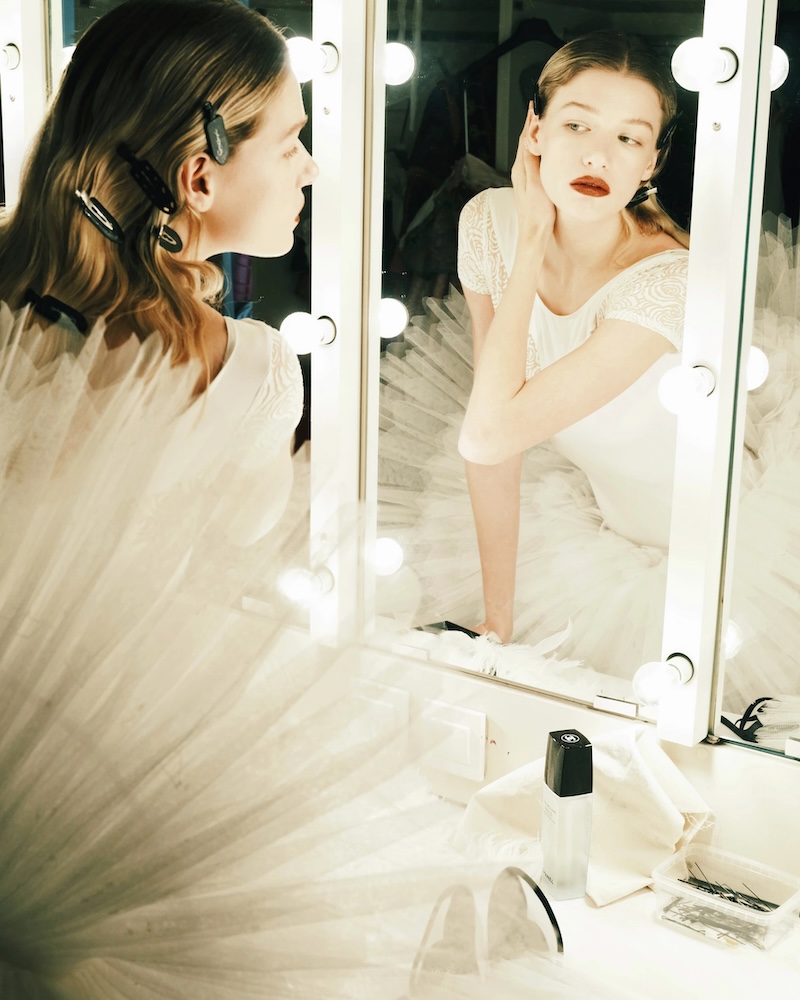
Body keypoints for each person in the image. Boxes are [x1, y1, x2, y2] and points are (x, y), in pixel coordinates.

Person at [378, 31, 689, 690]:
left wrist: (534, 237)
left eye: (628, 138)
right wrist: (498, 620)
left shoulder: (669, 281)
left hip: (705, 546)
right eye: (577, 124)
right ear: (535, 129)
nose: (598, 155)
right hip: (605, 516)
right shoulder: (489, 221)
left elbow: (489, 434)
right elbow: (493, 438)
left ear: (651, 163)